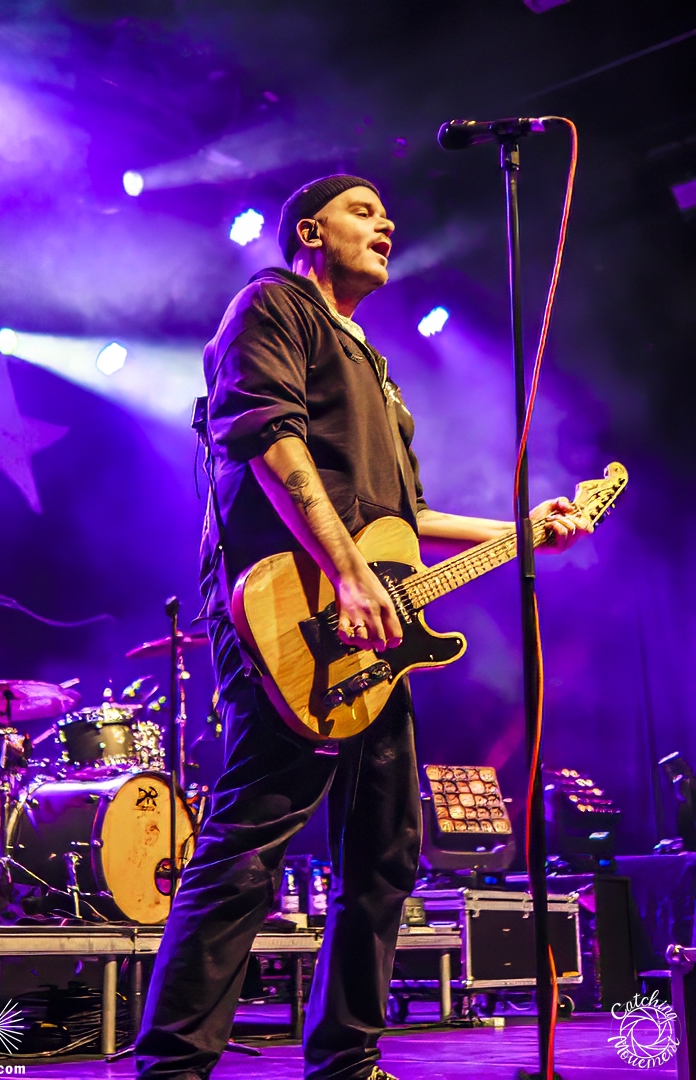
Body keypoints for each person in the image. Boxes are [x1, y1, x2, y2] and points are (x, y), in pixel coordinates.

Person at [135, 174, 590, 1080]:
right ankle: (174, 1068)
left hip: (374, 633)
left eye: (386, 215)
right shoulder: (274, 304)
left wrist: (521, 528)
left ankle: (347, 1061)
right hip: (289, 609)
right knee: (251, 842)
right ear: (311, 230)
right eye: (362, 210)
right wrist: (346, 572)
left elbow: (404, 518)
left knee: (385, 854)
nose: (385, 223)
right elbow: (268, 438)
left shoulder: (377, 370)